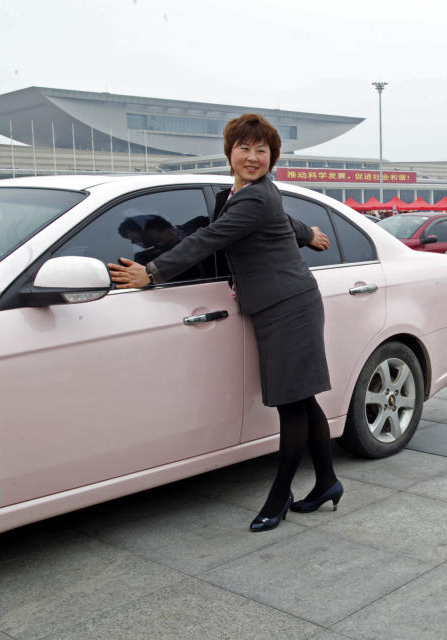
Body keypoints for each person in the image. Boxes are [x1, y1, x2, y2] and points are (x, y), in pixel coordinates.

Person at [108, 114, 343, 533]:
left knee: (290, 405)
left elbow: (210, 239)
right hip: (280, 304)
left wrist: (153, 272)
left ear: (272, 158)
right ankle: (327, 482)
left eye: (262, 151)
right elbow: (282, 221)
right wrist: (308, 234)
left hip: (289, 306)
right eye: (244, 148)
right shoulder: (244, 193)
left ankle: (279, 496)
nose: (252, 157)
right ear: (229, 152)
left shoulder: (254, 197)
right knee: (302, 400)